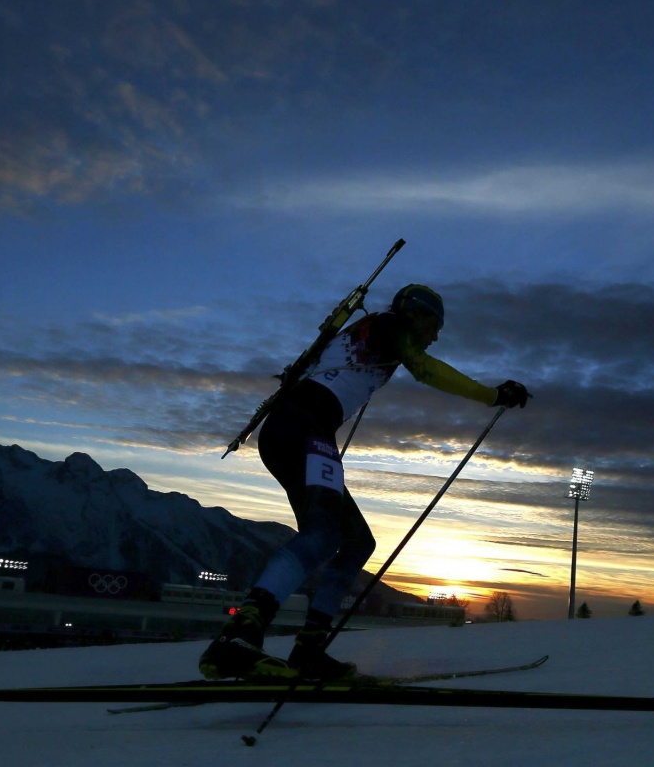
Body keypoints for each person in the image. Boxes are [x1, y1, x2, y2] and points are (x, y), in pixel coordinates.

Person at [199, 284, 530, 682]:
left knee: (356, 541)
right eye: (435, 324)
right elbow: (424, 368)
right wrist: (492, 395)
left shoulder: (372, 328)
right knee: (323, 536)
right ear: (416, 314)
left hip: (296, 429)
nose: (436, 334)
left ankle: (307, 649)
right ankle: (239, 637)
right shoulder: (391, 325)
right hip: (304, 428)